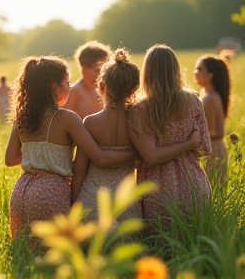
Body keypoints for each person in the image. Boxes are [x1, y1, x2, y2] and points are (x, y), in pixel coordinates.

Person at [5, 56, 137, 241]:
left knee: (24, 254)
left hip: (22, 192)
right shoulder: (67, 118)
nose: (71, 85)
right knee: (56, 253)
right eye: (67, 82)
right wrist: (136, 153)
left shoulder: (21, 118)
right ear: (54, 87)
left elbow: (10, 160)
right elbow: (99, 157)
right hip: (52, 192)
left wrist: (40, 156)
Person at [72, 48, 201, 224]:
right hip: (126, 202)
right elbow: (149, 154)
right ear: (134, 88)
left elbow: (79, 170)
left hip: (92, 198)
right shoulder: (138, 120)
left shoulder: (90, 122)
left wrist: (73, 204)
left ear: (102, 86)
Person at [127, 44, 212, 232]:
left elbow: (151, 157)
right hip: (194, 186)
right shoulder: (193, 101)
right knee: (195, 248)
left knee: (161, 253)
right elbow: (203, 147)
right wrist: (188, 144)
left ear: (146, 72)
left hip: (158, 191)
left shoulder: (138, 110)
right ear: (176, 70)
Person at [194, 54, 231, 186]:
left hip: (213, 151)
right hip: (212, 149)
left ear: (210, 75)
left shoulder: (210, 98)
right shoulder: (206, 95)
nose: (195, 72)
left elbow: (212, 131)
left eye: (199, 69)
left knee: (213, 192)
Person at [63, 41, 111, 119]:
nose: (102, 74)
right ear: (84, 67)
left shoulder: (108, 90)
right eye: (97, 70)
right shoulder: (73, 93)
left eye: (105, 70)